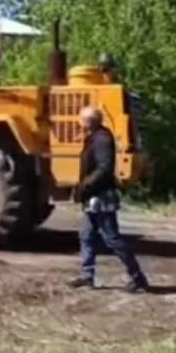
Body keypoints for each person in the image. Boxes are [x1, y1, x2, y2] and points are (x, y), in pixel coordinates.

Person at [68, 106, 150, 293]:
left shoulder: (102, 139)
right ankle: (87, 276)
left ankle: (138, 278)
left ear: (89, 121)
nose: (78, 122)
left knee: (112, 239)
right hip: (93, 196)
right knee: (86, 236)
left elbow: (104, 168)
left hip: (101, 196)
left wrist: (84, 186)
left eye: (80, 119)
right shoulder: (94, 137)